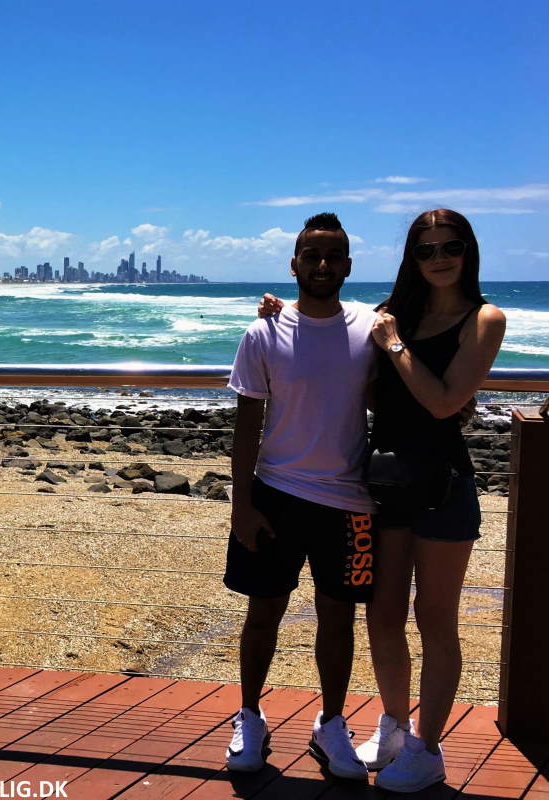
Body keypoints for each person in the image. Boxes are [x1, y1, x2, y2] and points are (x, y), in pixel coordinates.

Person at [255, 208, 505, 793]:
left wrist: (394, 347)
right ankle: (394, 725)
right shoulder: (396, 313)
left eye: (450, 246)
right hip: (386, 484)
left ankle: (430, 747)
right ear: (410, 257)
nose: (438, 257)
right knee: (383, 616)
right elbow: (339, 343)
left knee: (435, 620)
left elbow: (444, 403)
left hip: (445, 486)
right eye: (424, 249)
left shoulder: (483, 318)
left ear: (468, 251)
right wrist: (277, 312)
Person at [224, 212, 376, 781]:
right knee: (263, 613)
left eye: (333, 255)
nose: (321, 265)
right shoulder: (263, 332)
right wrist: (242, 504)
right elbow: (247, 424)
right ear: (293, 264)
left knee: (339, 622)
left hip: (350, 501)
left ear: (348, 265)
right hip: (276, 494)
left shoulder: (372, 326)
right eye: (311, 255)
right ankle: (249, 715)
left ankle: (331, 723)